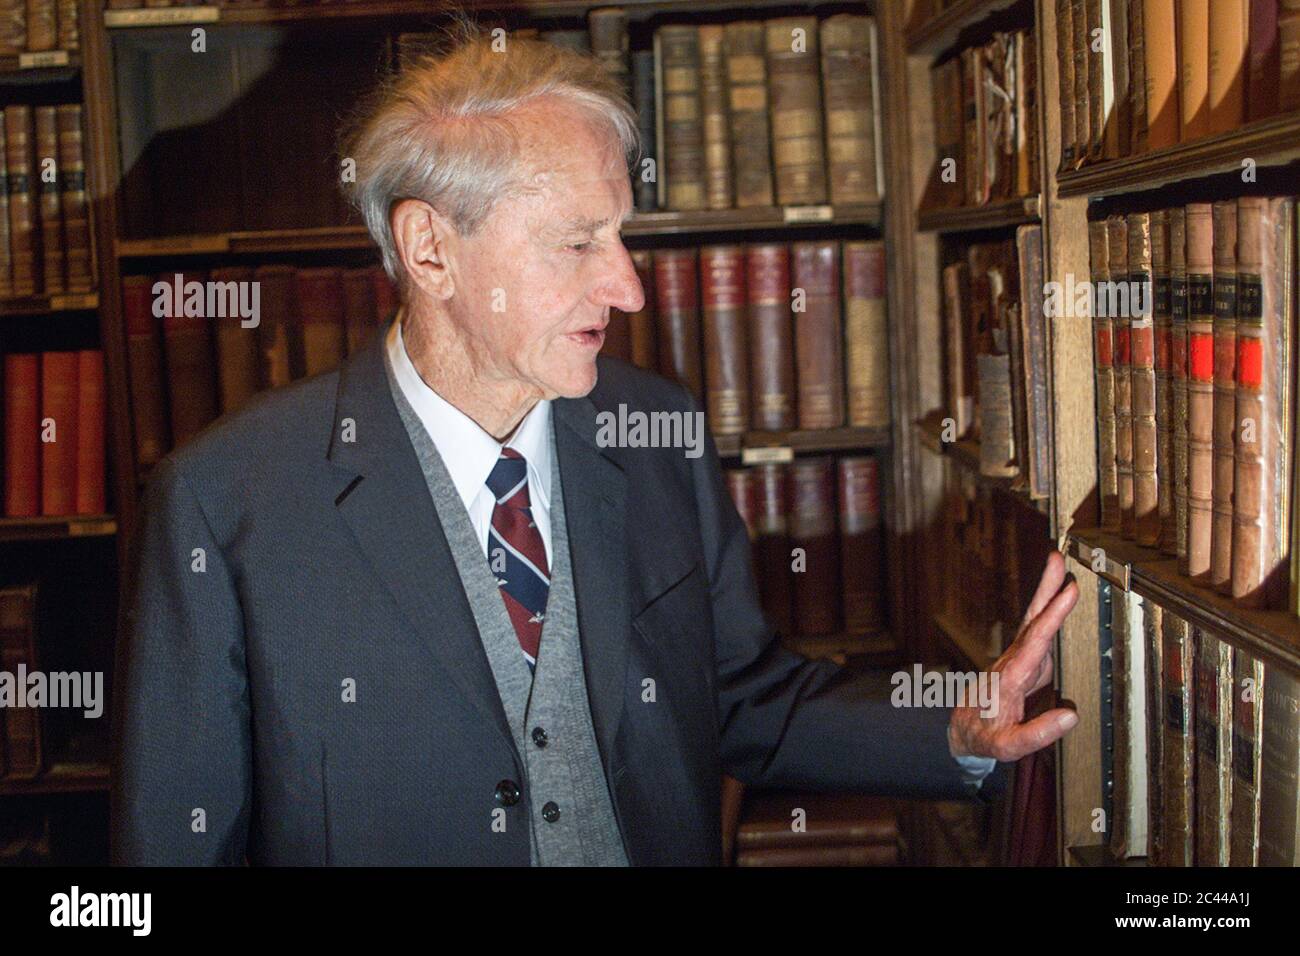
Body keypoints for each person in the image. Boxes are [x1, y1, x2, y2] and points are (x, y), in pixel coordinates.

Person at [111, 27, 1078, 866]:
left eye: (620, 236)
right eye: (577, 244)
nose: (629, 287)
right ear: (430, 249)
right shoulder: (226, 502)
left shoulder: (657, 438)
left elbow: (741, 700)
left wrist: (956, 727)